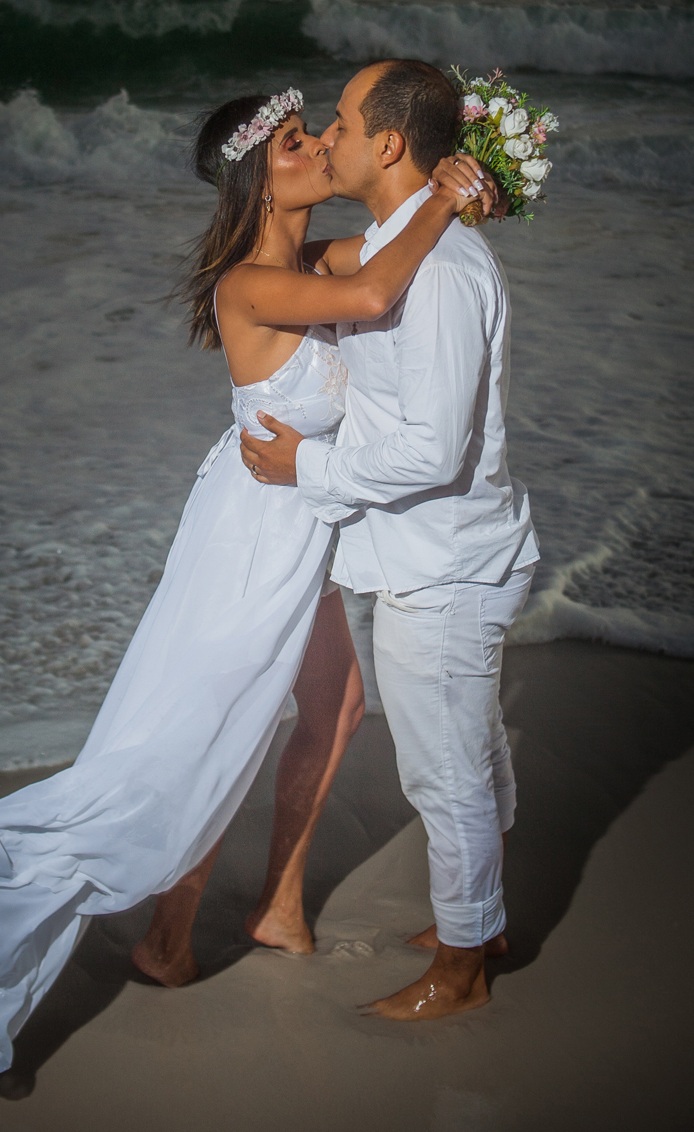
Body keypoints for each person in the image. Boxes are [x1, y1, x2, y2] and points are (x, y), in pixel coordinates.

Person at [0, 86, 492, 1119]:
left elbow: (379, 269)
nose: (321, 146)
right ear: (258, 174)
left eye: (318, 134)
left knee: (337, 712)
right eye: (296, 143)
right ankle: (159, 935)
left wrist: (453, 192)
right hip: (250, 535)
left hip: (298, 522)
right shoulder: (250, 284)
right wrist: (445, 207)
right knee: (207, 742)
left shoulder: (313, 259)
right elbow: (376, 298)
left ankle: (275, 908)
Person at [242, 59, 539, 1022]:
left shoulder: (440, 273)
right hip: (435, 555)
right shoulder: (395, 244)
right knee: (471, 752)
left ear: (389, 144)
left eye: (339, 120)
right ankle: (479, 923)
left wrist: (307, 473)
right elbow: (324, 273)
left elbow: (433, 448)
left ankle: (461, 970)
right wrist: (443, 204)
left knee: (443, 771)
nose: (327, 135)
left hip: (443, 562)